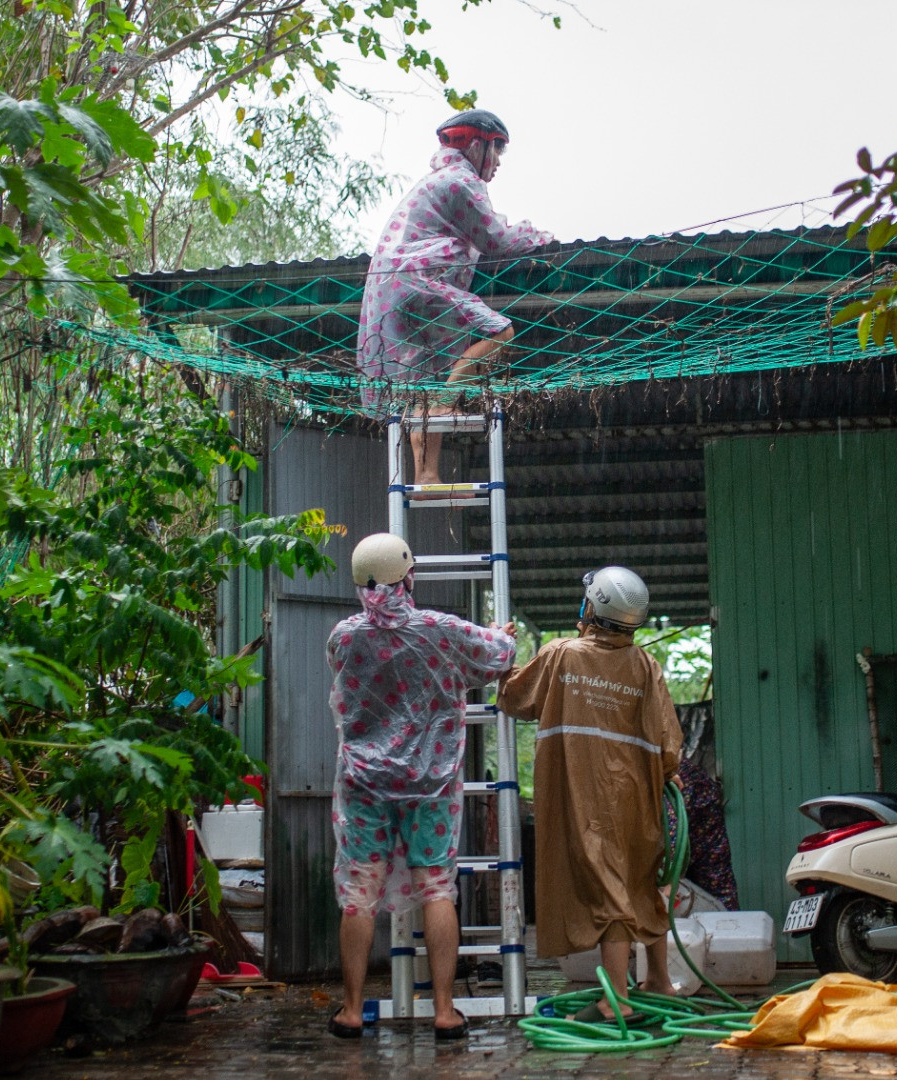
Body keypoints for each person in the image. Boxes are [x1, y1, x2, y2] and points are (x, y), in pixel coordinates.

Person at [326, 532, 517, 1041]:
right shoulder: (439, 630)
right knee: (437, 889)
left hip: (364, 784)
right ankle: (445, 1010)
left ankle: (349, 1009)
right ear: (409, 575)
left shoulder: (344, 636)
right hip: (429, 785)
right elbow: (499, 655)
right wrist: (501, 632)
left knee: (358, 895)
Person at [497, 567, 682, 1021]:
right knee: (639, 877)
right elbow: (668, 742)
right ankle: (658, 979)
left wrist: (502, 659)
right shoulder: (645, 665)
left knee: (609, 890)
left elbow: (514, 699)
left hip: (584, 793)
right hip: (637, 797)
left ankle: (615, 999)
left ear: (591, 608)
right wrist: (667, 773)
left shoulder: (562, 654)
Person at [356, 109, 553, 487]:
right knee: (501, 332)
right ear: (476, 145)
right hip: (418, 281)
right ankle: (450, 398)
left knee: (425, 383)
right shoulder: (462, 182)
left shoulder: (436, 181)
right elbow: (496, 240)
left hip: (395, 290)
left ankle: (427, 475)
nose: (497, 163)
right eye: (496, 151)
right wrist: (538, 236)